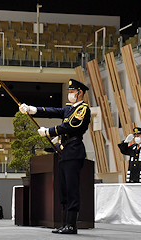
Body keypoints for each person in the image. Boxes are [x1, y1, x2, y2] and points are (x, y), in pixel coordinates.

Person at [19, 78, 91, 234]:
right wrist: (32, 109)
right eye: (69, 92)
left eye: (72, 92)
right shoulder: (69, 109)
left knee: (72, 189)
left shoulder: (83, 109)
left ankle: (72, 225)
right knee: (63, 190)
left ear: (79, 93)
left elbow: (72, 125)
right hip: (65, 152)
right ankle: (65, 224)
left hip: (74, 150)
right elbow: (52, 111)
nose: (70, 95)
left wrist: (49, 131)